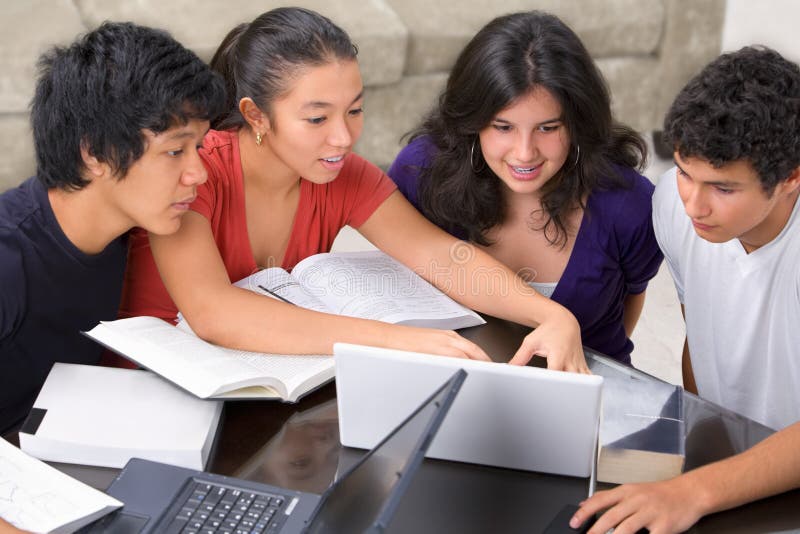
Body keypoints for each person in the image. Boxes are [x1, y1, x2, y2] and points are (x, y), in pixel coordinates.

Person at [120, 7, 587, 371]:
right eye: (317, 118)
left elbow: (444, 257)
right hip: (151, 384)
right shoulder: (193, 171)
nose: (343, 137)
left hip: (263, 384)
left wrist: (550, 314)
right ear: (256, 115)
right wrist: (397, 340)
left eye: (354, 111)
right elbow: (213, 312)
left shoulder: (342, 174)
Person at [572, 46, 800, 533]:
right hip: (726, 462)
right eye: (684, 172)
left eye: (723, 188)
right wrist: (696, 454)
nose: (695, 204)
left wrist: (695, 491)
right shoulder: (673, 208)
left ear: (790, 178)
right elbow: (700, 332)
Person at [387, 11, 663, 365]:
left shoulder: (629, 203)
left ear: (577, 123)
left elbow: (629, 303)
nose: (524, 153)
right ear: (473, 122)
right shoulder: (420, 172)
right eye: (503, 127)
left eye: (547, 128)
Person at [0, 22, 226, 434]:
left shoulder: (133, 234)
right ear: (95, 154)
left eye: (198, 147)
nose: (199, 173)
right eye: (175, 150)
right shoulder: (8, 261)